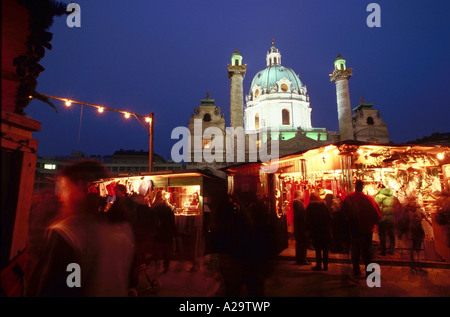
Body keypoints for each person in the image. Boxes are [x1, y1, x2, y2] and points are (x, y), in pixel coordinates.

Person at [29, 159, 135, 296]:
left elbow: (66, 288)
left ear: (79, 187)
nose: (60, 196)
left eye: (64, 188)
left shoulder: (69, 234)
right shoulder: (123, 229)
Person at [341, 180, 382, 278]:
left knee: (355, 249)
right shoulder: (368, 199)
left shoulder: (349, 198)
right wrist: (373, 223)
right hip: (367, 229)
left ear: (355, 187)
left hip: (354, 228)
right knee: (367, 250)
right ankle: (369, 271)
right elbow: (377, 214)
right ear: (362, 187)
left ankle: (356, 270)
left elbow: (343, 213)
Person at [306, 193, 333, 271]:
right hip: (325, 230)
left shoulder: (310, 207)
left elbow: (307, 219)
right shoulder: (323, 206)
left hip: (316, 230)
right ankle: (325, 265)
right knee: (325, 249)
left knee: (318, 249)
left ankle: (318, 265)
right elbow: (330, 217)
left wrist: (308, 229)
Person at [151, 190, 176, 273]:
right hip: (167, 231)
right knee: (166, 250)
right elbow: (172, 222)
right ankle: (166, 267)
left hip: (157, 231)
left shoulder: (154, 207)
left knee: (156, 249)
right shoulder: (168, 208)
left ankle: (156, 265)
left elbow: (153, 221)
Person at [375, 186, 398, 255]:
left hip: (382, 219)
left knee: (382, 235)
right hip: (391, 218)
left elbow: (376, 206)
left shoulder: (379, 197)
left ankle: (383, 251)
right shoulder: (392, 196)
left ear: (380, 188)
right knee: (391, 234)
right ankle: (391, 250)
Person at [292, 189, 309, 265]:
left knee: (300, 244)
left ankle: (301, 259)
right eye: (302, 194)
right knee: (301, 244)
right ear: (298, 195)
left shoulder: (297, 203)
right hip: (301, 227)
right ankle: (301, 259)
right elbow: (300, 215)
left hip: (300, 227)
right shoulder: (297, 202)